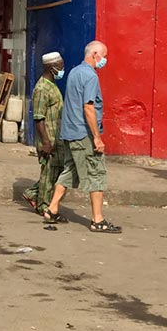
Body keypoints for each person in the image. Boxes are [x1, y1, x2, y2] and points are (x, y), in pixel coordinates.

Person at [46, 40, 122, 234]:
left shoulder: (74, 72)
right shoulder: (90, 76)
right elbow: (88, 107)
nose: (104, 60)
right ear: (94, 54)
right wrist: (97, 137)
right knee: (96, 173)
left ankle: (52, 209)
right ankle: (98, 220)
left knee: (70, 170)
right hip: (83, 133)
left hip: (70, 132)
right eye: (103, 56)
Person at [22, 52, 65, 222]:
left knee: (57, 172)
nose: (62, 69)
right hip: (49, 139)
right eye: (60, 66)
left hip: (57, 137)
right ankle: (44, 207)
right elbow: (38, 117)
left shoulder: (53, 85)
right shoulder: (41, 88)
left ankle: (32, 193)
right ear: (50, 67)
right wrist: (46, 142)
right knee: (49, 174)